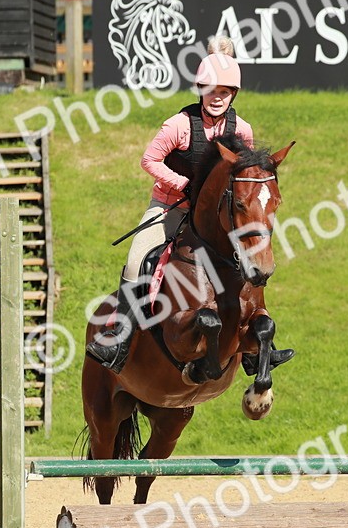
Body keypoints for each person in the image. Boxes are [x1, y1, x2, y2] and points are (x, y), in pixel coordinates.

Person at [85, 39, 291, 373]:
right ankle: (118, 341)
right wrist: (182, 185)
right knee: (137, 260)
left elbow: (246, 175)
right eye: (211, 90)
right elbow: (149, 160)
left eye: (224, 92)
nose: (217, 97)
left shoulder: (243, 129)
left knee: (250, 256)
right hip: (172, 207)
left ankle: (256, 346)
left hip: (217, 215)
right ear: (200, 90)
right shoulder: (179, 125)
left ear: (233, 95)